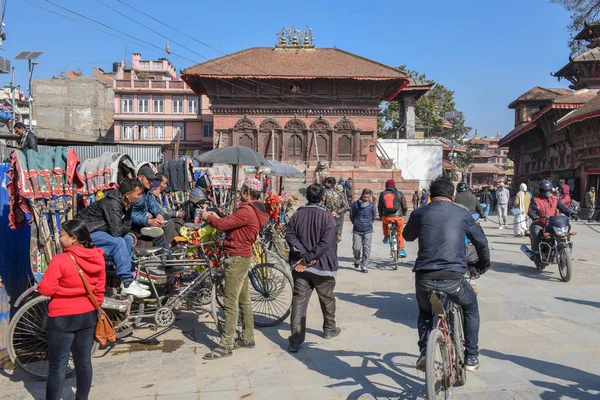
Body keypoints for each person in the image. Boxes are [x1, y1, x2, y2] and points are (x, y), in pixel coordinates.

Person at [403, 176, 490, 372]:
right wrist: (483, 265)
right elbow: (481, 242)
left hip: (424, 278)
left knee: (426, 313)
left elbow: (407, 236)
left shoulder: (420, 212)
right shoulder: (462, 214)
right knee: (470, 306)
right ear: (452, 196)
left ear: (431, 196)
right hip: (453, 278)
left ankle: (425, 352)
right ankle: (472, 356)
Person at [201, 177, 269, 360]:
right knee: (243, 299)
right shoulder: (254, 210)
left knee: (230, 302)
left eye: (241, 191)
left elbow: (223, 224)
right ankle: (247, 337)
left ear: (247, 193)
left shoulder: (247, 210)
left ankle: (226, 344)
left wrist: (209, 217)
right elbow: (230, 222)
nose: (240, 194)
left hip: (237, 257)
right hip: (243, 257)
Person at [38, 220, 106, 400]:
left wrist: (62, 291)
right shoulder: (98, 257)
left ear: (74, 239)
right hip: (87, 316)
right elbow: (99, 290)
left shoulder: (61, 260)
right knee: (83, 361)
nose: (59, 238)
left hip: (61, 317)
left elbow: (45, 289)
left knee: (57, 365)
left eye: (61, 235)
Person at [286, 183, 341, 353]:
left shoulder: (297, 215)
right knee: (327, 298)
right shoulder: (328, 218)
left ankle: (295, 339)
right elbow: (325, 243)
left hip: (301, 267)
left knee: (299, 300)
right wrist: (308, 257)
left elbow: (290, 235)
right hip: (322, 266)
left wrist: (303, 256)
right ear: (323, 197)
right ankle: (329, 329)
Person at [76, 178, 150, 298]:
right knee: (118, 241)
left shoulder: (128, 204)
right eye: (138, 194)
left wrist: (123, 228)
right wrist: (122, 228)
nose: (140, 197)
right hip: (86, 232)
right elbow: (117, 232)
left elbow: (126, 226)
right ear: (127, 195)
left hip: (103, 231)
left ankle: (129, 279)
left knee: (128, 239)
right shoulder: (111, 203)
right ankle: (127, 282)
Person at [528, 180, 578, 267]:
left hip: (552, 223)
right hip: (539, 223)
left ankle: (565, 253)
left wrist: (571, 213)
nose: (547, 192)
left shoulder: (554, 199)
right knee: (536, 232)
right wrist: (534, 216)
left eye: (548, 190)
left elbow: (563, 207)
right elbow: (530, 210)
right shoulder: (535, 199)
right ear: (540, 190)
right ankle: (536, 253)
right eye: (544, 190)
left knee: (565, 231)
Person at [132, 166, 171, 255]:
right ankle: (167, 261)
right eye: (149, 179)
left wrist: (159, 214)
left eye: (152, 180)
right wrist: (148, 221)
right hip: (132, 227)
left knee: (165, 220)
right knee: (158, 234)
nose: (151, 182)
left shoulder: (147, 191)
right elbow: (129, 214)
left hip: (141, 224)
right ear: (140, 177)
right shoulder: (133, 191)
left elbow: (153, 205)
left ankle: (165, 256)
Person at [150, 173, 185, 242]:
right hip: (155, 218)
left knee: (179, 221)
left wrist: (176, 213)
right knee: (171, 223)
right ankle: (171, 244)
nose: (166, 186)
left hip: (163, 216)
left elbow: (164, 208)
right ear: (159, 183)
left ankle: (177, 242)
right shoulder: (151, 194)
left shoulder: (161, 194)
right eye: (164, 183)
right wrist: (176, 213)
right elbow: (160, 210)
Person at [378, 179, 408, 258]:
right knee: (399, 232)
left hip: (387, 217)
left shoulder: (382, 194)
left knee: (384, 223)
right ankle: (401, 249)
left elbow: (380, 206)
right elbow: (404, 206)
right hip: (398, 217)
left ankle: (386, 237)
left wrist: (381, 215)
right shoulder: (399, 193)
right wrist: (404, 213)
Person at [350, 188, 376, 273]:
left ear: (370, 197)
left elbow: (374, 216)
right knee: (356, 248)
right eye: (364, 197)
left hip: (368, 230)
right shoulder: (355, 205)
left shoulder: (372, 205)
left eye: (368, 197)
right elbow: (351, 216)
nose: (366, 199)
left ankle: (364, 266)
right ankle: (357, 259)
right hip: (357, 230)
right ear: (361, 195)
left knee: (366, 248)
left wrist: (369, 223)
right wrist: (356, 223)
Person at [323, 177, 349, 243]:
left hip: (327, 217)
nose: (325, 184)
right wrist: (337, 212)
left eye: (327, 182)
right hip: (337, 216)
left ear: (330, 183)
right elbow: (346, 207)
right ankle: (338, 234)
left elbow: (322, 205)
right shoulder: (340, 194)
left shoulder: (325, 193)